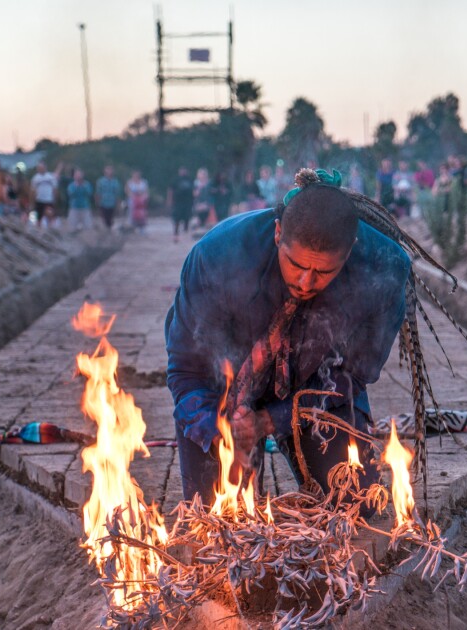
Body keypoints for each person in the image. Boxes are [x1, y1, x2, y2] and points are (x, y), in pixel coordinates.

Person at [165, 169, 409, 504]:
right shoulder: (217, 258)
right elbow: (186, 369)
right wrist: (221, 427)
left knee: (354, 499)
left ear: (350, 250)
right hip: (221, 391)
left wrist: (271, 420)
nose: (306, 283)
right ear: (278, 233)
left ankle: (290, 437)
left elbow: (352, 376)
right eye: (296, 265)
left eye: (324, 272)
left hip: (314, 391)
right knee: (215, 515)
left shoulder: (385, 269)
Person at [31, 162, 64, 228]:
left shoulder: (50, 177)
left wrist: (55, 198)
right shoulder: (35, 178)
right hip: (39, 200)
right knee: (39, 216)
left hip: (49, 200)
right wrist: (33, 200)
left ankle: (52, 228)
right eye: (39, 168)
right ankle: (38, 228)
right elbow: (33, 190)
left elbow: (55, 188)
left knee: (50, 215)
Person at [168, 166, 194, 242]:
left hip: (188, 203)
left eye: (184, 170)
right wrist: (169, 200)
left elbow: (194, 190)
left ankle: (185, 232)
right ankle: (176, 234)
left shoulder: (190, 180)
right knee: (176, 219)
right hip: (177, 203)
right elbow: (170, 190)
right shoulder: (176, 180)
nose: (183, 172)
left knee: (187, 218)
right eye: (182, 170)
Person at [67, 168, 94, 232]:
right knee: (72, 227)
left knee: (88, 227)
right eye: (77, 175)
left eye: (80, 175)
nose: (78, 176)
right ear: (74, 176)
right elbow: (71, 194)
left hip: (85, 208)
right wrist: (77, 186)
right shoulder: (71, 186)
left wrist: (82, 186)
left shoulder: (87, 184)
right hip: (74, 208)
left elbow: (89, 193)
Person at [95, 165, 121, 229]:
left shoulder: (115, 182)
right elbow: (98, 193)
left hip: (112, 203)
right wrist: (97, 203)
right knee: (104, 219)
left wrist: (118, 206)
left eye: (110, 170)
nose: (109, 172)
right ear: (104, 171)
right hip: (103, 203)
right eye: (108, 170)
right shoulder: (100, 181)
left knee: (111, 219)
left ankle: (109, 231)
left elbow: (117, 194)